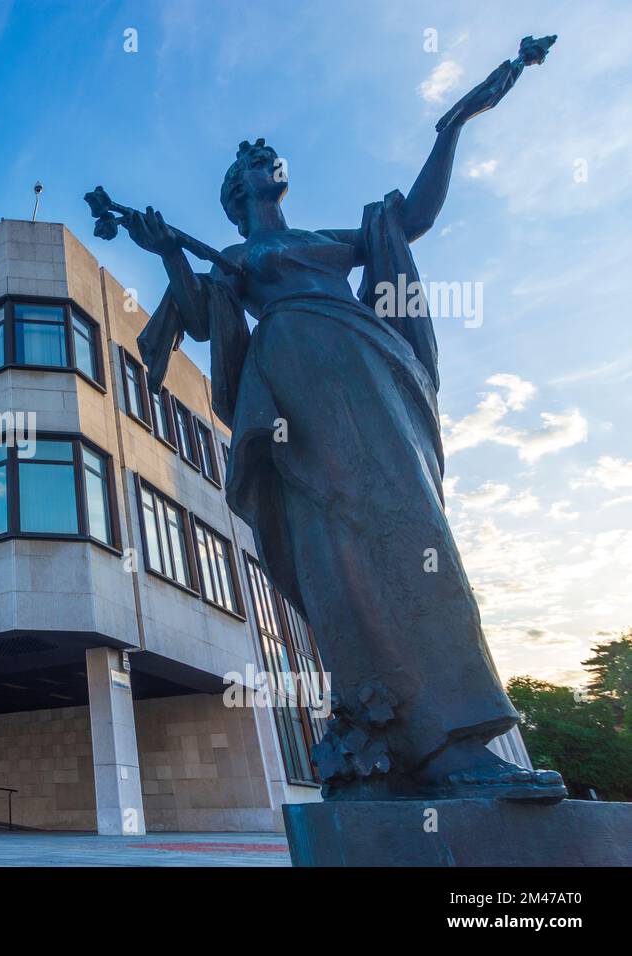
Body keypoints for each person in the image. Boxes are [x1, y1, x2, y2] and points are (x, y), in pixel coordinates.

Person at [122, 37, 565, 803]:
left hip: (362, 366)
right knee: (338, 544)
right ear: (236, 193)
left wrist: (451, 126)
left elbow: (414, 218)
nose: (262, 157)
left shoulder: (328, 238)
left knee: (414, 526)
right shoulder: (232, 256)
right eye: (248, 161)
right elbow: (197, 317)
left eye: (268, 155)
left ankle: (455, 740)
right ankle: (400, 738)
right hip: (292, 383)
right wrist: (167, 253)